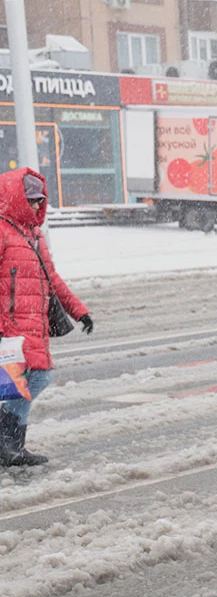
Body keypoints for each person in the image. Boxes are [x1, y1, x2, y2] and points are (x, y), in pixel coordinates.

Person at [0, 170, 92, 467]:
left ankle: (12, 445)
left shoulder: (35, 235)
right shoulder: (2, 230)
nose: (38, 205)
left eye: (40, 200)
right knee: (30, 378)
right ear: (16, 198)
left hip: (34, 324)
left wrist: (79, 310)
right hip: (10, 326)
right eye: (31, 200)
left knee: (32, 378)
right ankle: (8, 442)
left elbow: (52, 280)